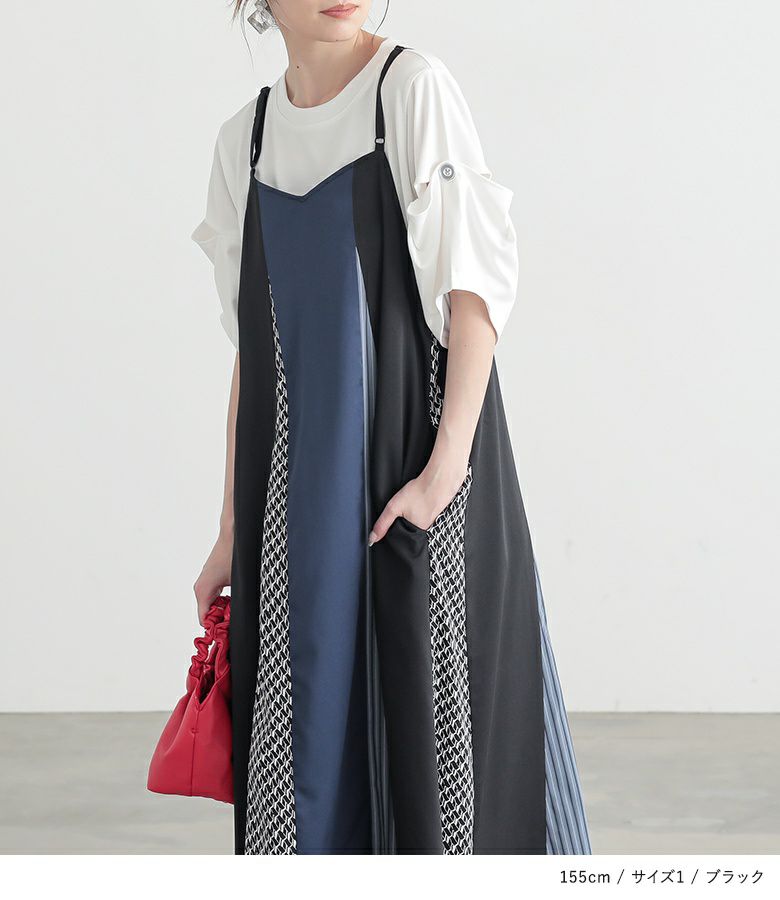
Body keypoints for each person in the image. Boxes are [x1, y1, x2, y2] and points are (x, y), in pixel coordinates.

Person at [191, 0, 591, 856]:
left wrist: (444, 476)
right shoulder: (243, 141)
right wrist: (230, 527)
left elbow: (474, 296)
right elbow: (253, 353)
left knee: (435, 744)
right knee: (306, 738)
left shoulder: (410, 90)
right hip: (295, 508)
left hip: (411, 474)